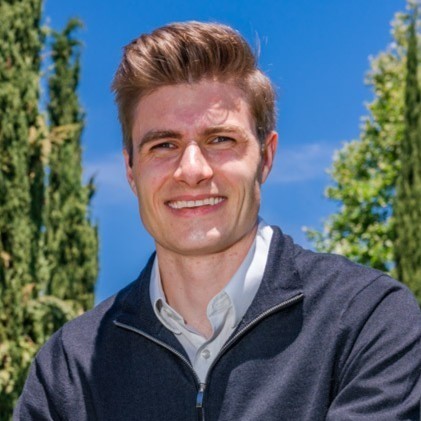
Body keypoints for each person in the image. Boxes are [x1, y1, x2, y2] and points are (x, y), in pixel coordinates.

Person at [15, 21, 421, 421]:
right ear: (131, 170)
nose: (192, 170)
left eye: (220, 140)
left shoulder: (369, 321)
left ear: (266, 157)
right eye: (164, 145)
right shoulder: (69, 367)